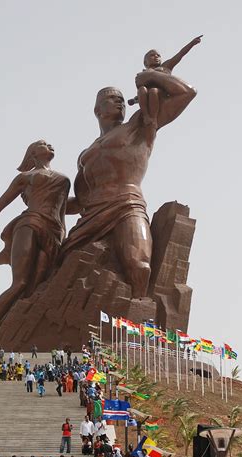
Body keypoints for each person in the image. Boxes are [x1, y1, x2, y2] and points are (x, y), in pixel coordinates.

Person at [62, 70, 198, 298]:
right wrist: (43, 205)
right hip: (90, 217)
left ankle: (138, 323)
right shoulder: (85, 155)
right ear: (97, 110)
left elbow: (186, 93)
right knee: (60, 268)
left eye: (122, 100)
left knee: (139, 266)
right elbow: (81, 200)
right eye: (111, 98)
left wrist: (152, 75)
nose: (119, 101)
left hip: (127, 205)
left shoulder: (139, 125)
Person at [0, 141, 70, 350]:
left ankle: (14, 336)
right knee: (20, 284)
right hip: (29, 225)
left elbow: (62, 213)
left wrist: (62, 239)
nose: (50, 145)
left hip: (53, 233)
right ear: (33, 154)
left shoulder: (64, 180)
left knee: (35, 290)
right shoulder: (25, 178)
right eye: (43, 144)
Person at [127, 35, 203, 119]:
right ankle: (146, 116)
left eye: (158, 55)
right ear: (145, 62)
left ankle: (153, 118)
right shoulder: (142, 74)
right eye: (152, 55)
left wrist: (191, 43)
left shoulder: (165, 66)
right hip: (147, 96)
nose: (156, 57)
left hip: (161, 93)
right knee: (142, 90)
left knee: (153, 91)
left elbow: (180, 55)